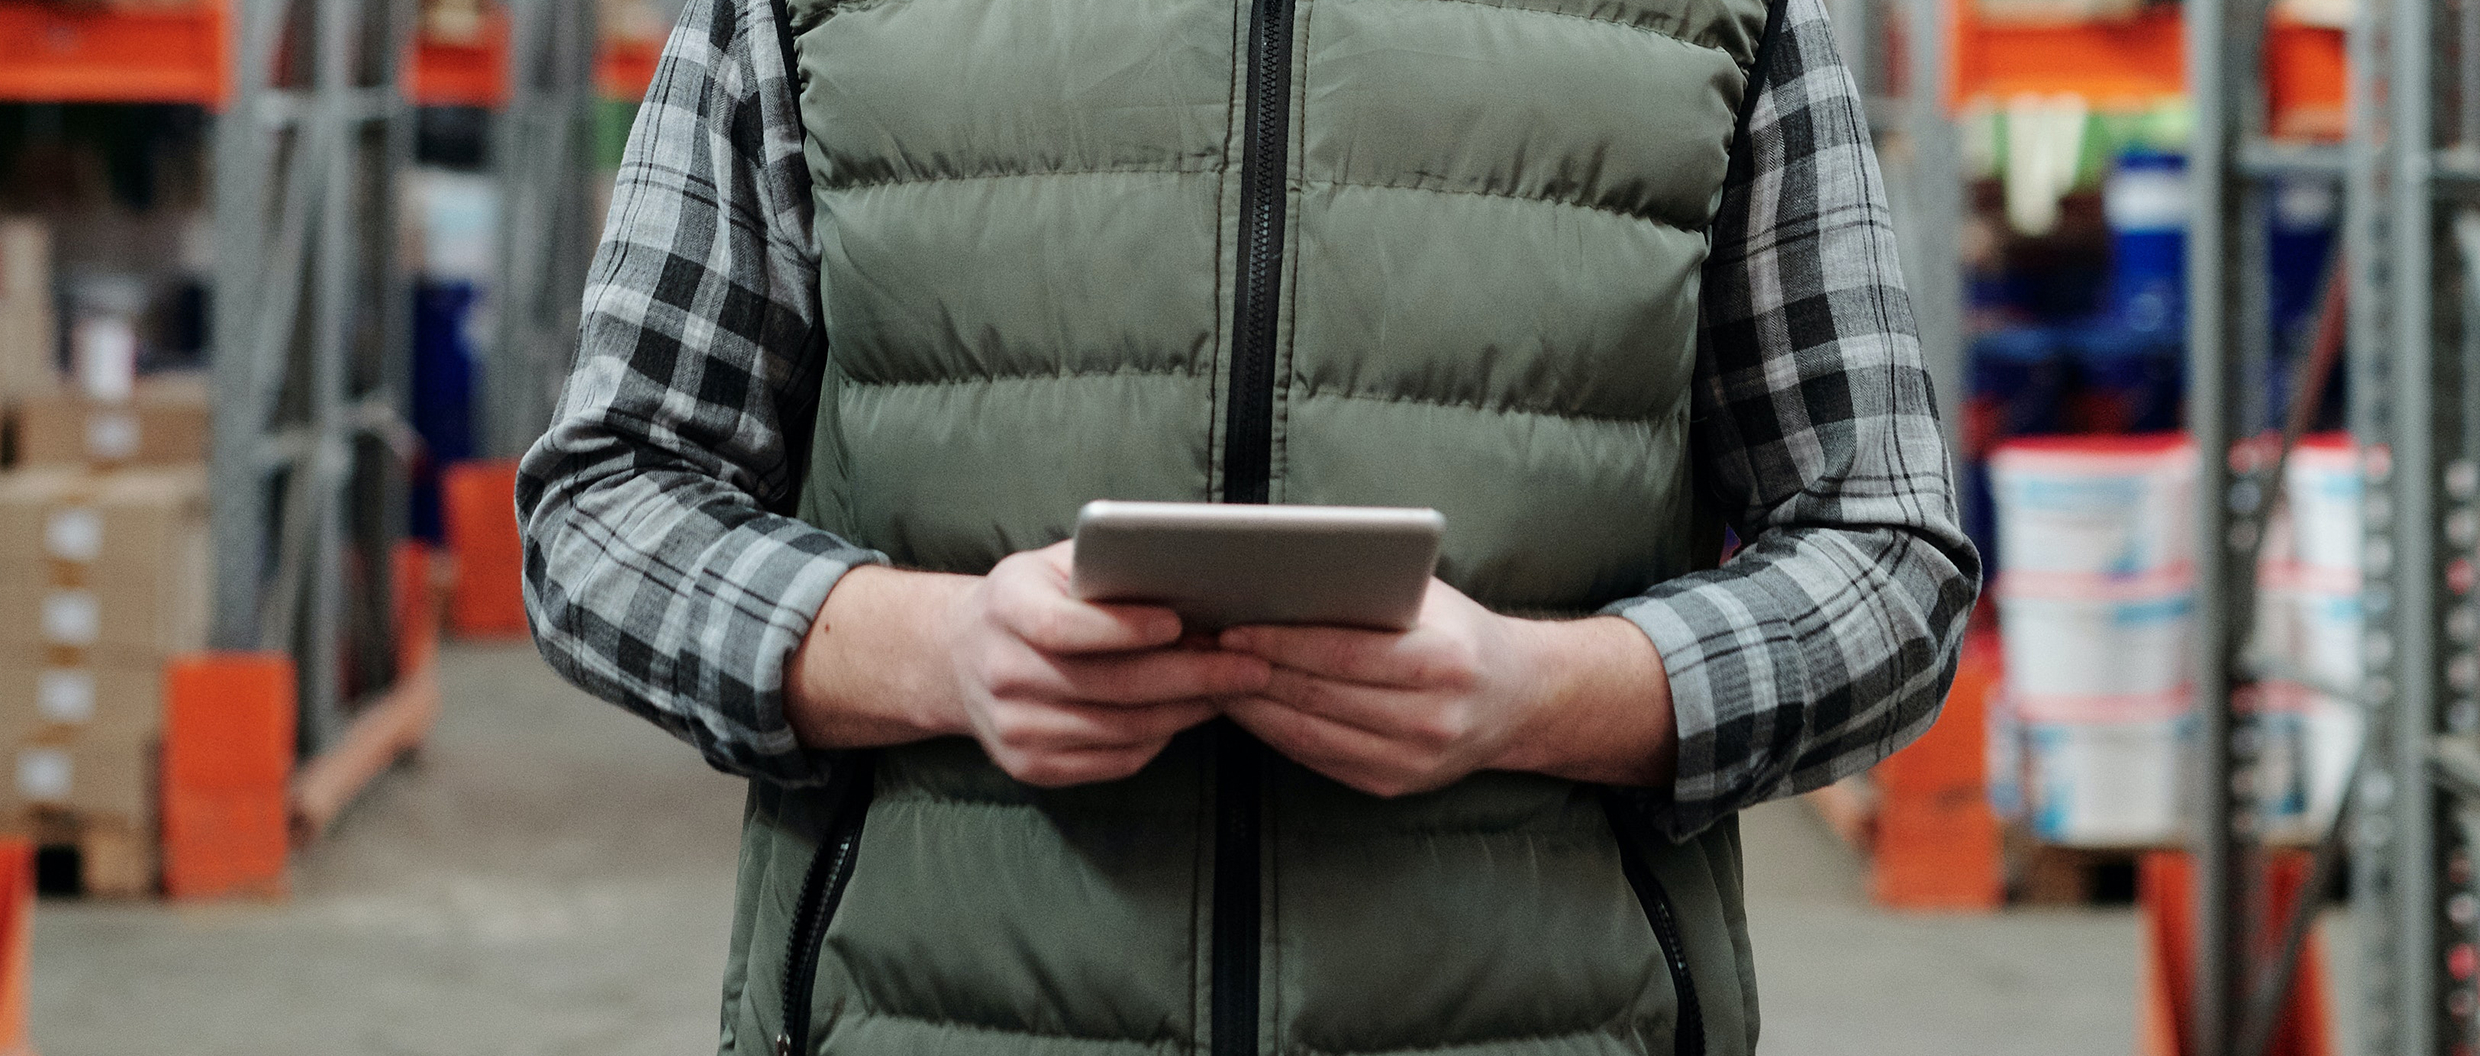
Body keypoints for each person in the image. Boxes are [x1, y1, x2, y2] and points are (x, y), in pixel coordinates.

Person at [518, 0, 1981, 1050]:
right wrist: (935, 652)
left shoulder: (1714, 17)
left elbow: (1884, 551)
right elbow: (606, 502)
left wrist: (1551, 697)